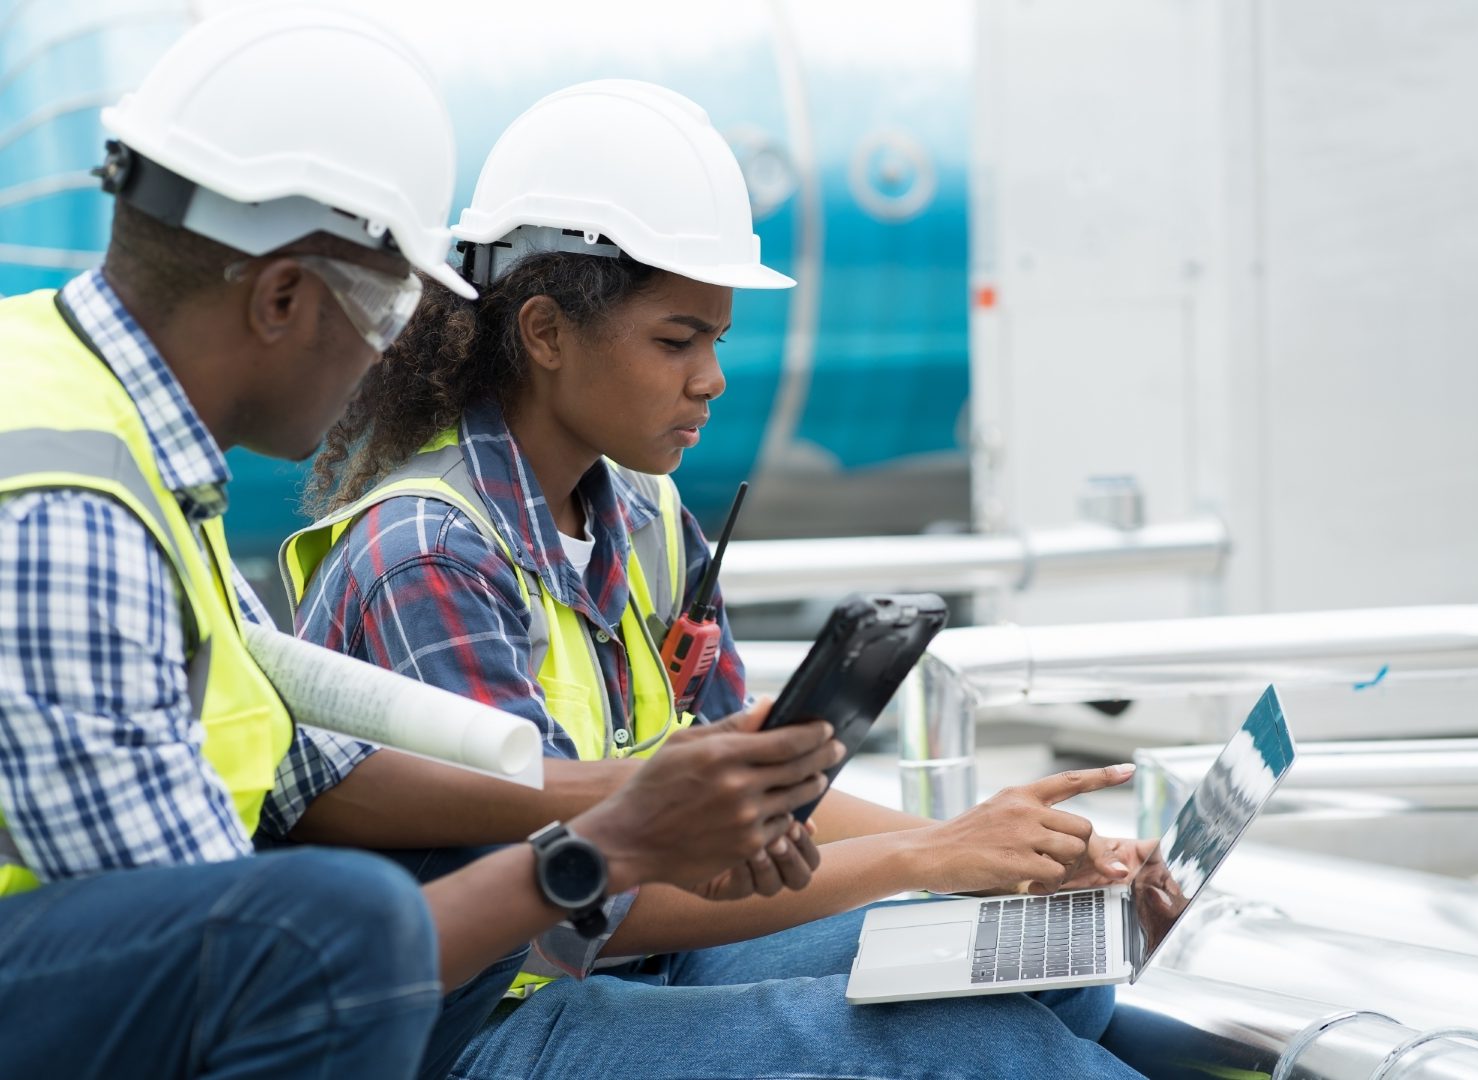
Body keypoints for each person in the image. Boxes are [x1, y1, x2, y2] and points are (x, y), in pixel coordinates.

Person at [0, 16, 840, 1080]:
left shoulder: (105, 423)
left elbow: (312, 768)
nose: (394, 347)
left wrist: (624, 799)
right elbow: (254, 955)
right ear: (284, 298)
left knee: (443, 837)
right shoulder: (63, 514)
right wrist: (610, 846)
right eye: (392, 300)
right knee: (344, 904)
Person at [286, 79, 1147, 1078]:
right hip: (485, 1026)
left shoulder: (647, 517)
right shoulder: (430, 557)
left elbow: (746, 799)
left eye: (715, 340)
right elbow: (572, 897)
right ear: (544, 334)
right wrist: (925, 858)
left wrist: (987, 850)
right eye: (674, 340)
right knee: (960, 1038)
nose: (711, 379)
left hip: (637, 965)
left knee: (1036, 962)